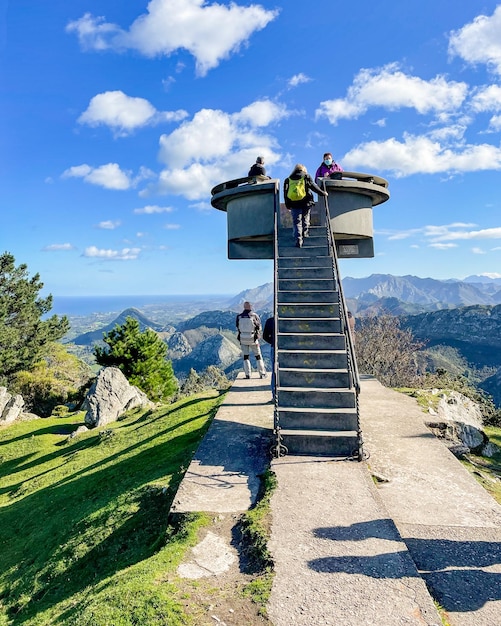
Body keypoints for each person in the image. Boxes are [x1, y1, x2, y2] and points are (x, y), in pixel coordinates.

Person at [284, 164, 327, 248]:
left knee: (297, 222)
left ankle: (298, 239)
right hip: (306, 202)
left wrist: (288, 205)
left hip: (294, 203)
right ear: (303, 169)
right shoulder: (306, 176)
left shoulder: (288, 179)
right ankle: (305, 233)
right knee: (305, 218)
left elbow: (285, 193)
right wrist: (323, 193)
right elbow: (313, 186)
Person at [236, 301, 266, 379]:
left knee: (246, 357)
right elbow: (259, 327)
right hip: (253, 338)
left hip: (243, 339)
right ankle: (262, 373)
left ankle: (248, 374)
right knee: (258, 356)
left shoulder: (239, 317)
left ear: (244, 307)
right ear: (250, 307)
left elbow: (237, 327)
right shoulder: (254, 316)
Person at [263, 316, 276, 399]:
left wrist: (273, 341)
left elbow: (265, 336)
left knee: (274, 371)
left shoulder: (270, 321)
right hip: (276, 347)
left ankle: (274, 395)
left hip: (274, 348)